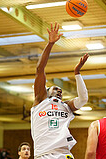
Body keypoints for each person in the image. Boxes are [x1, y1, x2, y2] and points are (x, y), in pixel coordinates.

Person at [31, 22, 89, 159]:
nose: (59, 91)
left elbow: (83, 99)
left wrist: (77, 73)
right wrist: (50, 44)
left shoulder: (66, 106)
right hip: (44, 154)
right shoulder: (40, 100)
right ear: (46, 91)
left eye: (61, 91)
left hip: (64, 154)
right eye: (55, 89)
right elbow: (40, 69)